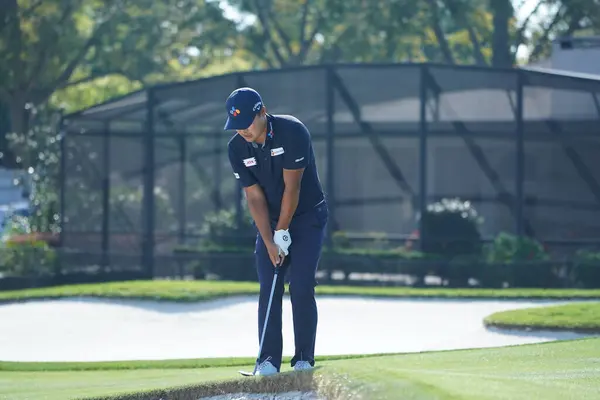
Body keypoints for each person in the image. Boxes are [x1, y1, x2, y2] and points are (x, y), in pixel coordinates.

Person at [224, 87, 329, 376]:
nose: (242, 129)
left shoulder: (292, 131)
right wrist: (269, 240)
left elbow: (292, 189)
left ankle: (304, 359)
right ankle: (267, 361)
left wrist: (283, 230)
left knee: (301, 284)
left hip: (307, 217)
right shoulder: (236, 148)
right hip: (269, 220)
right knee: (269, 285)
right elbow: (254, 197)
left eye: (247, 121)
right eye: (236, 124)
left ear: (262, 111)